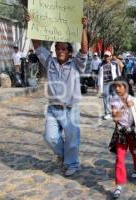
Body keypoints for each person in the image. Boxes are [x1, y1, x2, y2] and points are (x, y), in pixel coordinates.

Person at [27, 15, 88, 176]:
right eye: (58, 49)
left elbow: (84, 50)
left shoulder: (76, 64)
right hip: (53, 109)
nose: (60, 51)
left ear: (69, 52)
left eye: (63, 49)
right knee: (50, 137)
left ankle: (73, 163)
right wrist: (32, 24)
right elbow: (38, 46)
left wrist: (83, 29)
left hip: (70, 109)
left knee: (72, 140)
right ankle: (63, 156)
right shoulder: (50, 62)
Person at [108, 77, 136, 199]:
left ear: (126, 87)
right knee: (120, 158)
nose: (117, 88)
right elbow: (115, 118)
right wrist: (125, 105)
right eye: (115, 86)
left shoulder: (135, 100)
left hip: (133, 131)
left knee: (135, 153)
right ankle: (119, 184)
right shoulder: (114, 100)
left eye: (120, 86)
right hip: (121, 132)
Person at [98, 51, 121, 120]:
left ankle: (115, 112)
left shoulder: (115, 64)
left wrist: (119, 82)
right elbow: (98, 75)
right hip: (104, 83)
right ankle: (107, 113)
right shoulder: (101, 64)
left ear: (111, 57)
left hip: (113, 83)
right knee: (105, 98)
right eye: (105, 56)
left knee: (115, 97)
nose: (106, 57)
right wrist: (98, 84)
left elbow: (118, 73)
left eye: (108, 56)